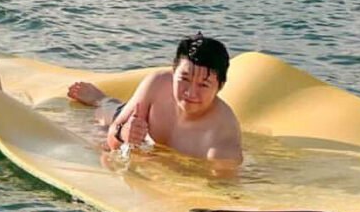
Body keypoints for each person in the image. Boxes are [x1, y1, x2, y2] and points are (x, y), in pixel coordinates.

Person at [67, 34, 242, 164]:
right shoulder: (158, 83)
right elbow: (114, 135)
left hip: (154, 142)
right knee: (107, 114)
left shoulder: (221, 142)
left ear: (220, 86)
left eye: (203, 85)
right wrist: (123, 133)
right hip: (131, 115)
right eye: (185, 79)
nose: (190, 93)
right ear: (173, 73)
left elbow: (220, 192)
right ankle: (101, 100)